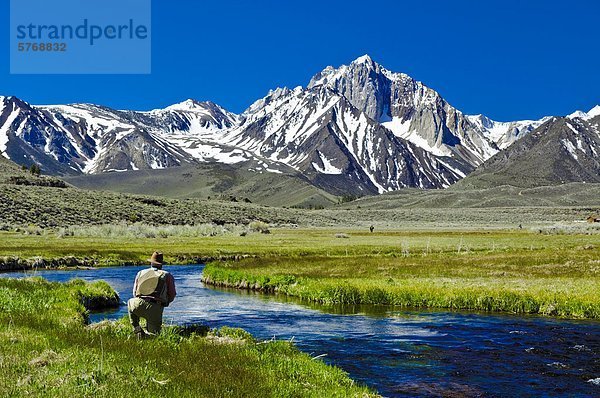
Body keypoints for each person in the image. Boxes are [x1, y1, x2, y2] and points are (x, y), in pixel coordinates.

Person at [127, 251, 176, 338]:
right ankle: (145, 336)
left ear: (151, 262)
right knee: (154, 336)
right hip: (155, 307)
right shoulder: (167, 275)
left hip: (136, 304)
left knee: (130, 302)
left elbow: (135, 292)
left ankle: (136, 328)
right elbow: (172, 294)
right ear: (161, 264)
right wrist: (165, 303)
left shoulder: (140, 273)